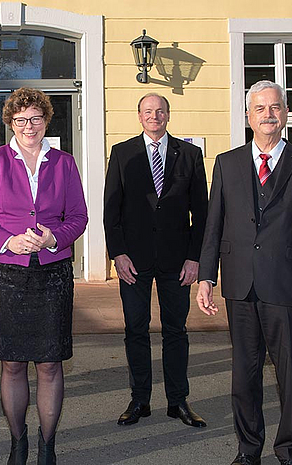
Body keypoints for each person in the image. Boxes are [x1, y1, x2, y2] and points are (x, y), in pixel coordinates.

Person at [196, 80, 292, 465]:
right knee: (244, 375)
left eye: (275, 107)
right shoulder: (227, 164)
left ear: (286, 113)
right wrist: (206, 277)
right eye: (260, 109)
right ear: (248, 116)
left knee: (291, 375)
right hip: (240, 284)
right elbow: (214, 225)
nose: (268, 115)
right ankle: (248, 449)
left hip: (286, 284)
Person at [0, 87, 87, 464]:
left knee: (50, 363)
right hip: (6, 276)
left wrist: (54, 237)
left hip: (52, 275)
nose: (28, 126)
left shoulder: (64, 163)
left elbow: (78, 217)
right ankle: (18, 442)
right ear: (10, 123)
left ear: (46, 120)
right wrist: (7, 242)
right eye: (20, 120)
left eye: (35, 118)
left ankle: (47, 445)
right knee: (13, 363)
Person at [103, 93, 208, 428]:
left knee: (176, 331)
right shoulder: (122, 154)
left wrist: (195, 258)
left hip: (177, 261)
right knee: (136, 330)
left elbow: (201, 214)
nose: (154, 116)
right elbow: (111, 211)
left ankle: (178, 401)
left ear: (168, 115)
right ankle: (140, 400)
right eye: (148, 111)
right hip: (132, 260)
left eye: (160, 111)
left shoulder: (190, 154)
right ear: (139, 116)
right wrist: (117, 253)